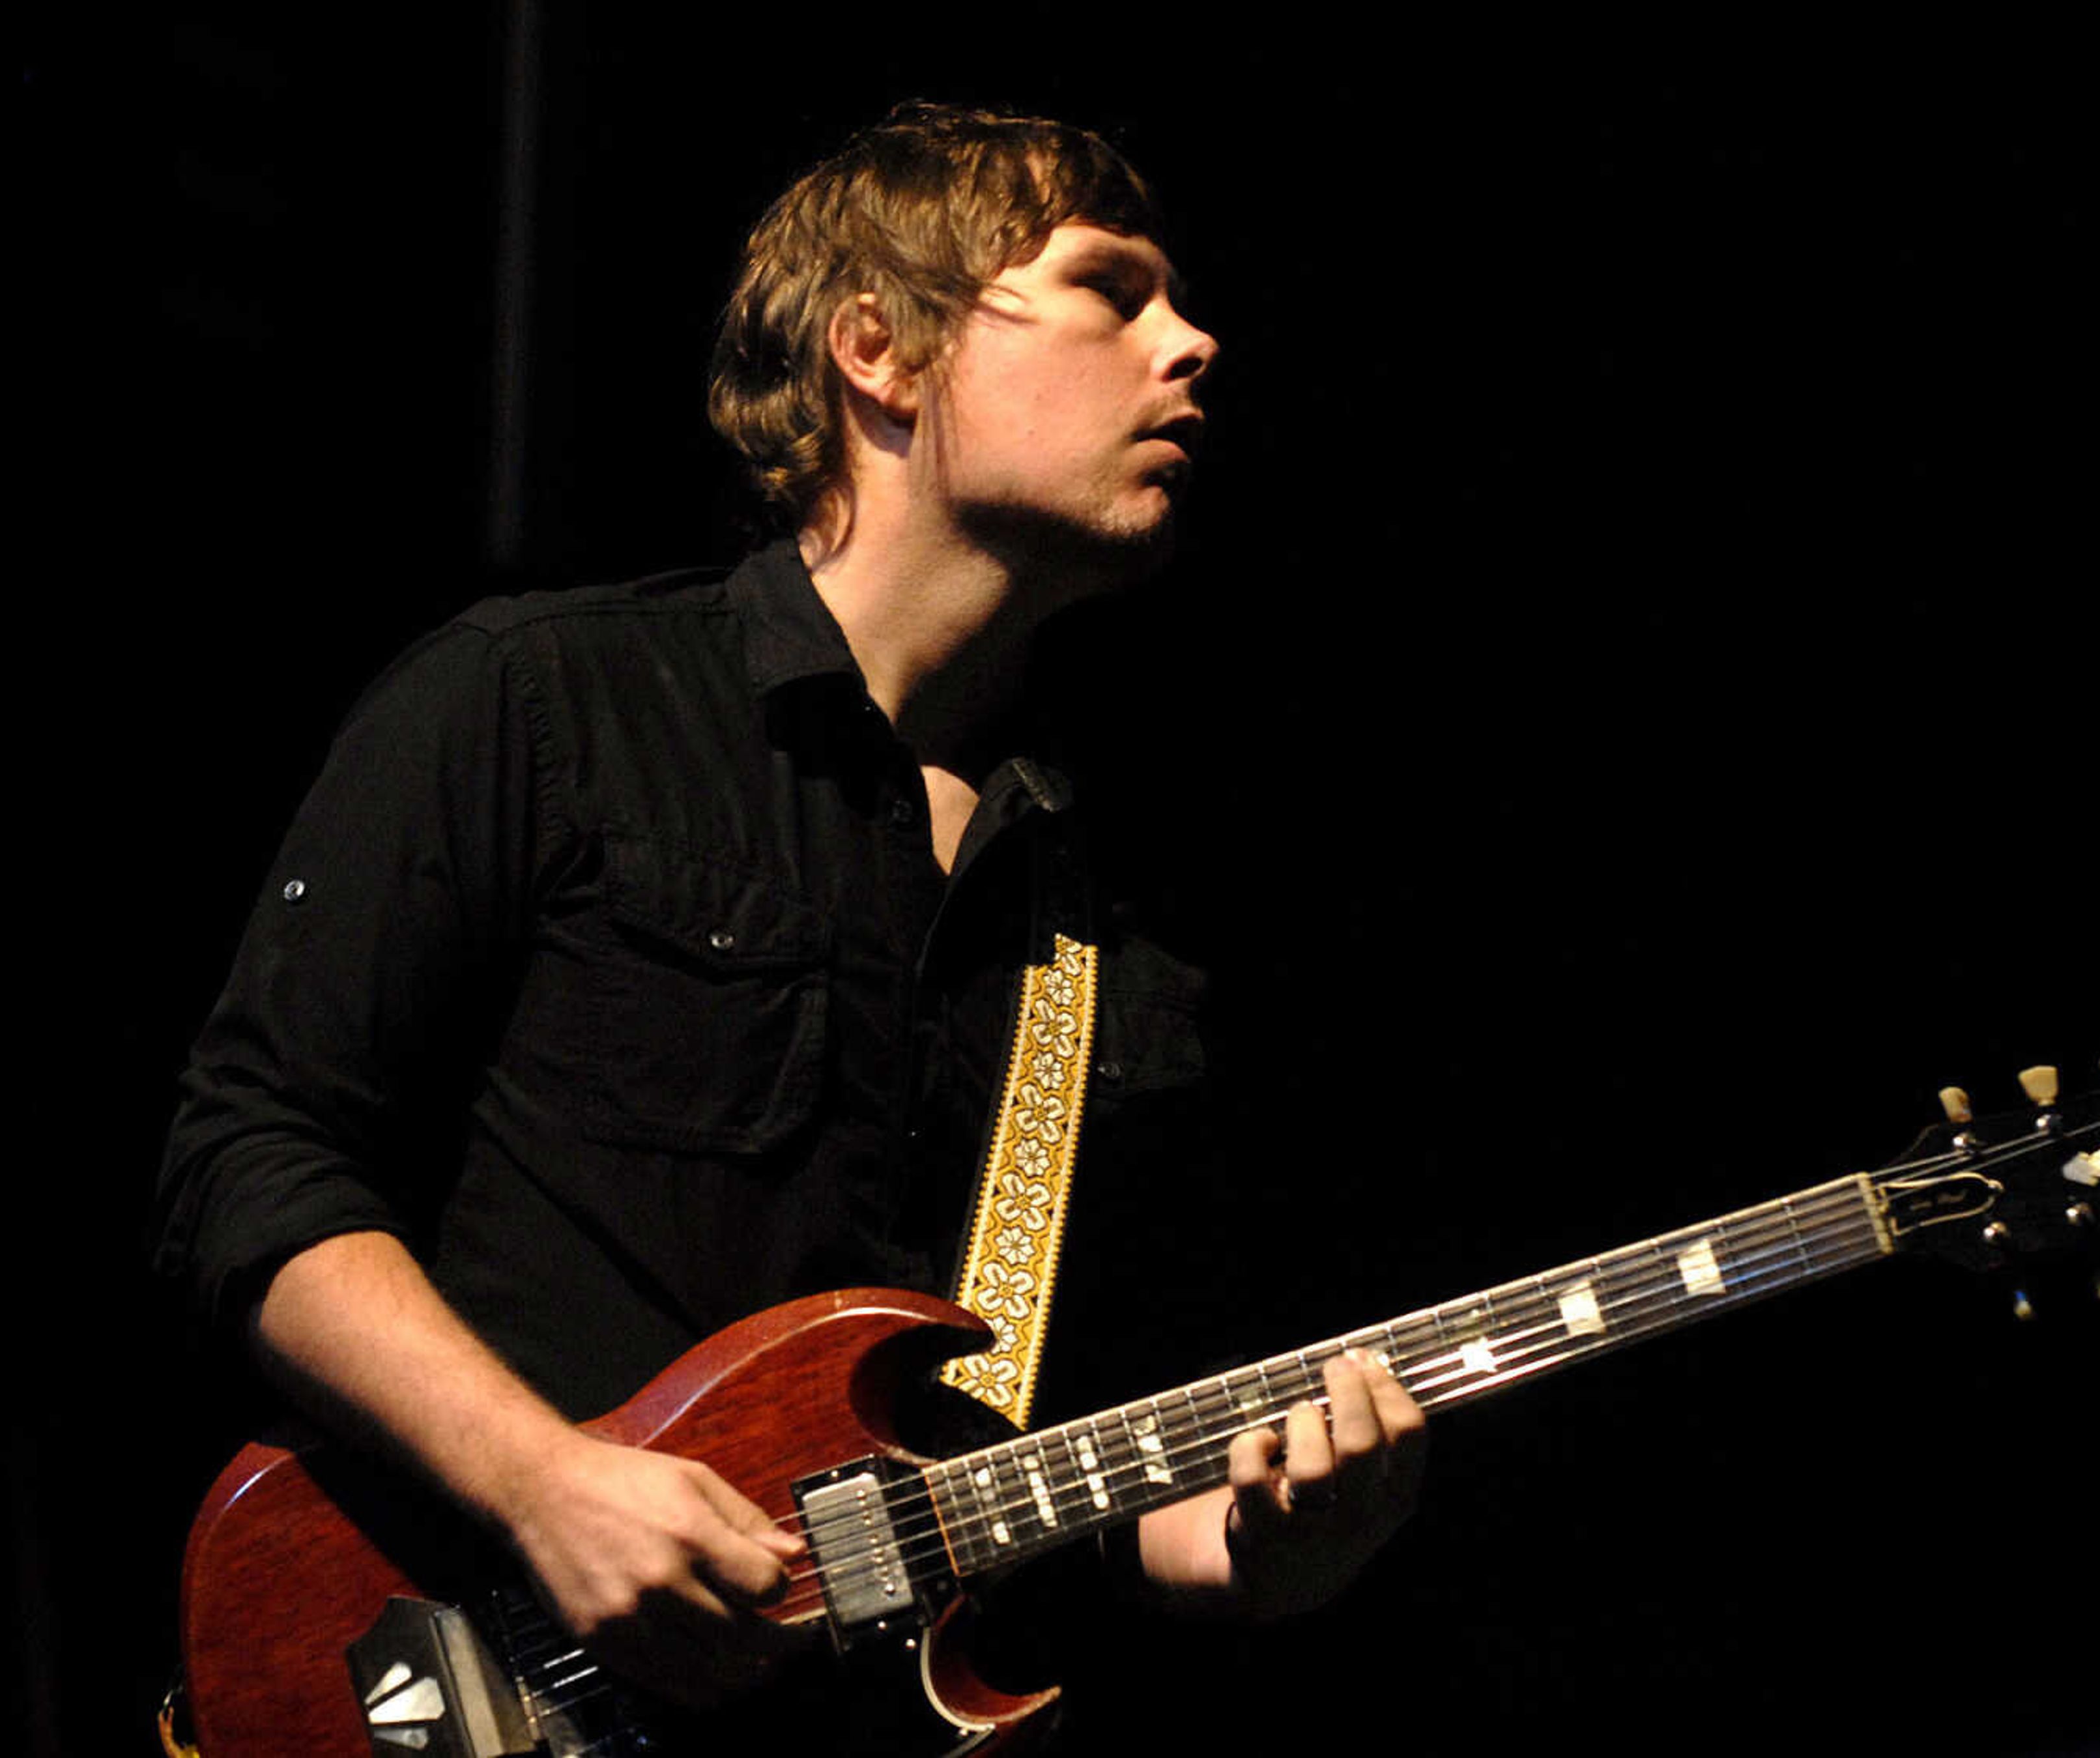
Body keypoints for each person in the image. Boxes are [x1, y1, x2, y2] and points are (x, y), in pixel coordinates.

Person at [153, 101, 1424, 1724]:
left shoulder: (1117, 924)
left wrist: (1250, 1546)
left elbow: (1042, 1478)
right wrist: (543, 1477)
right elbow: (244, 1163)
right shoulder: (543, 698)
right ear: (880, 350)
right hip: (441, 1669)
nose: (1193, 339)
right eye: (1113, 289)